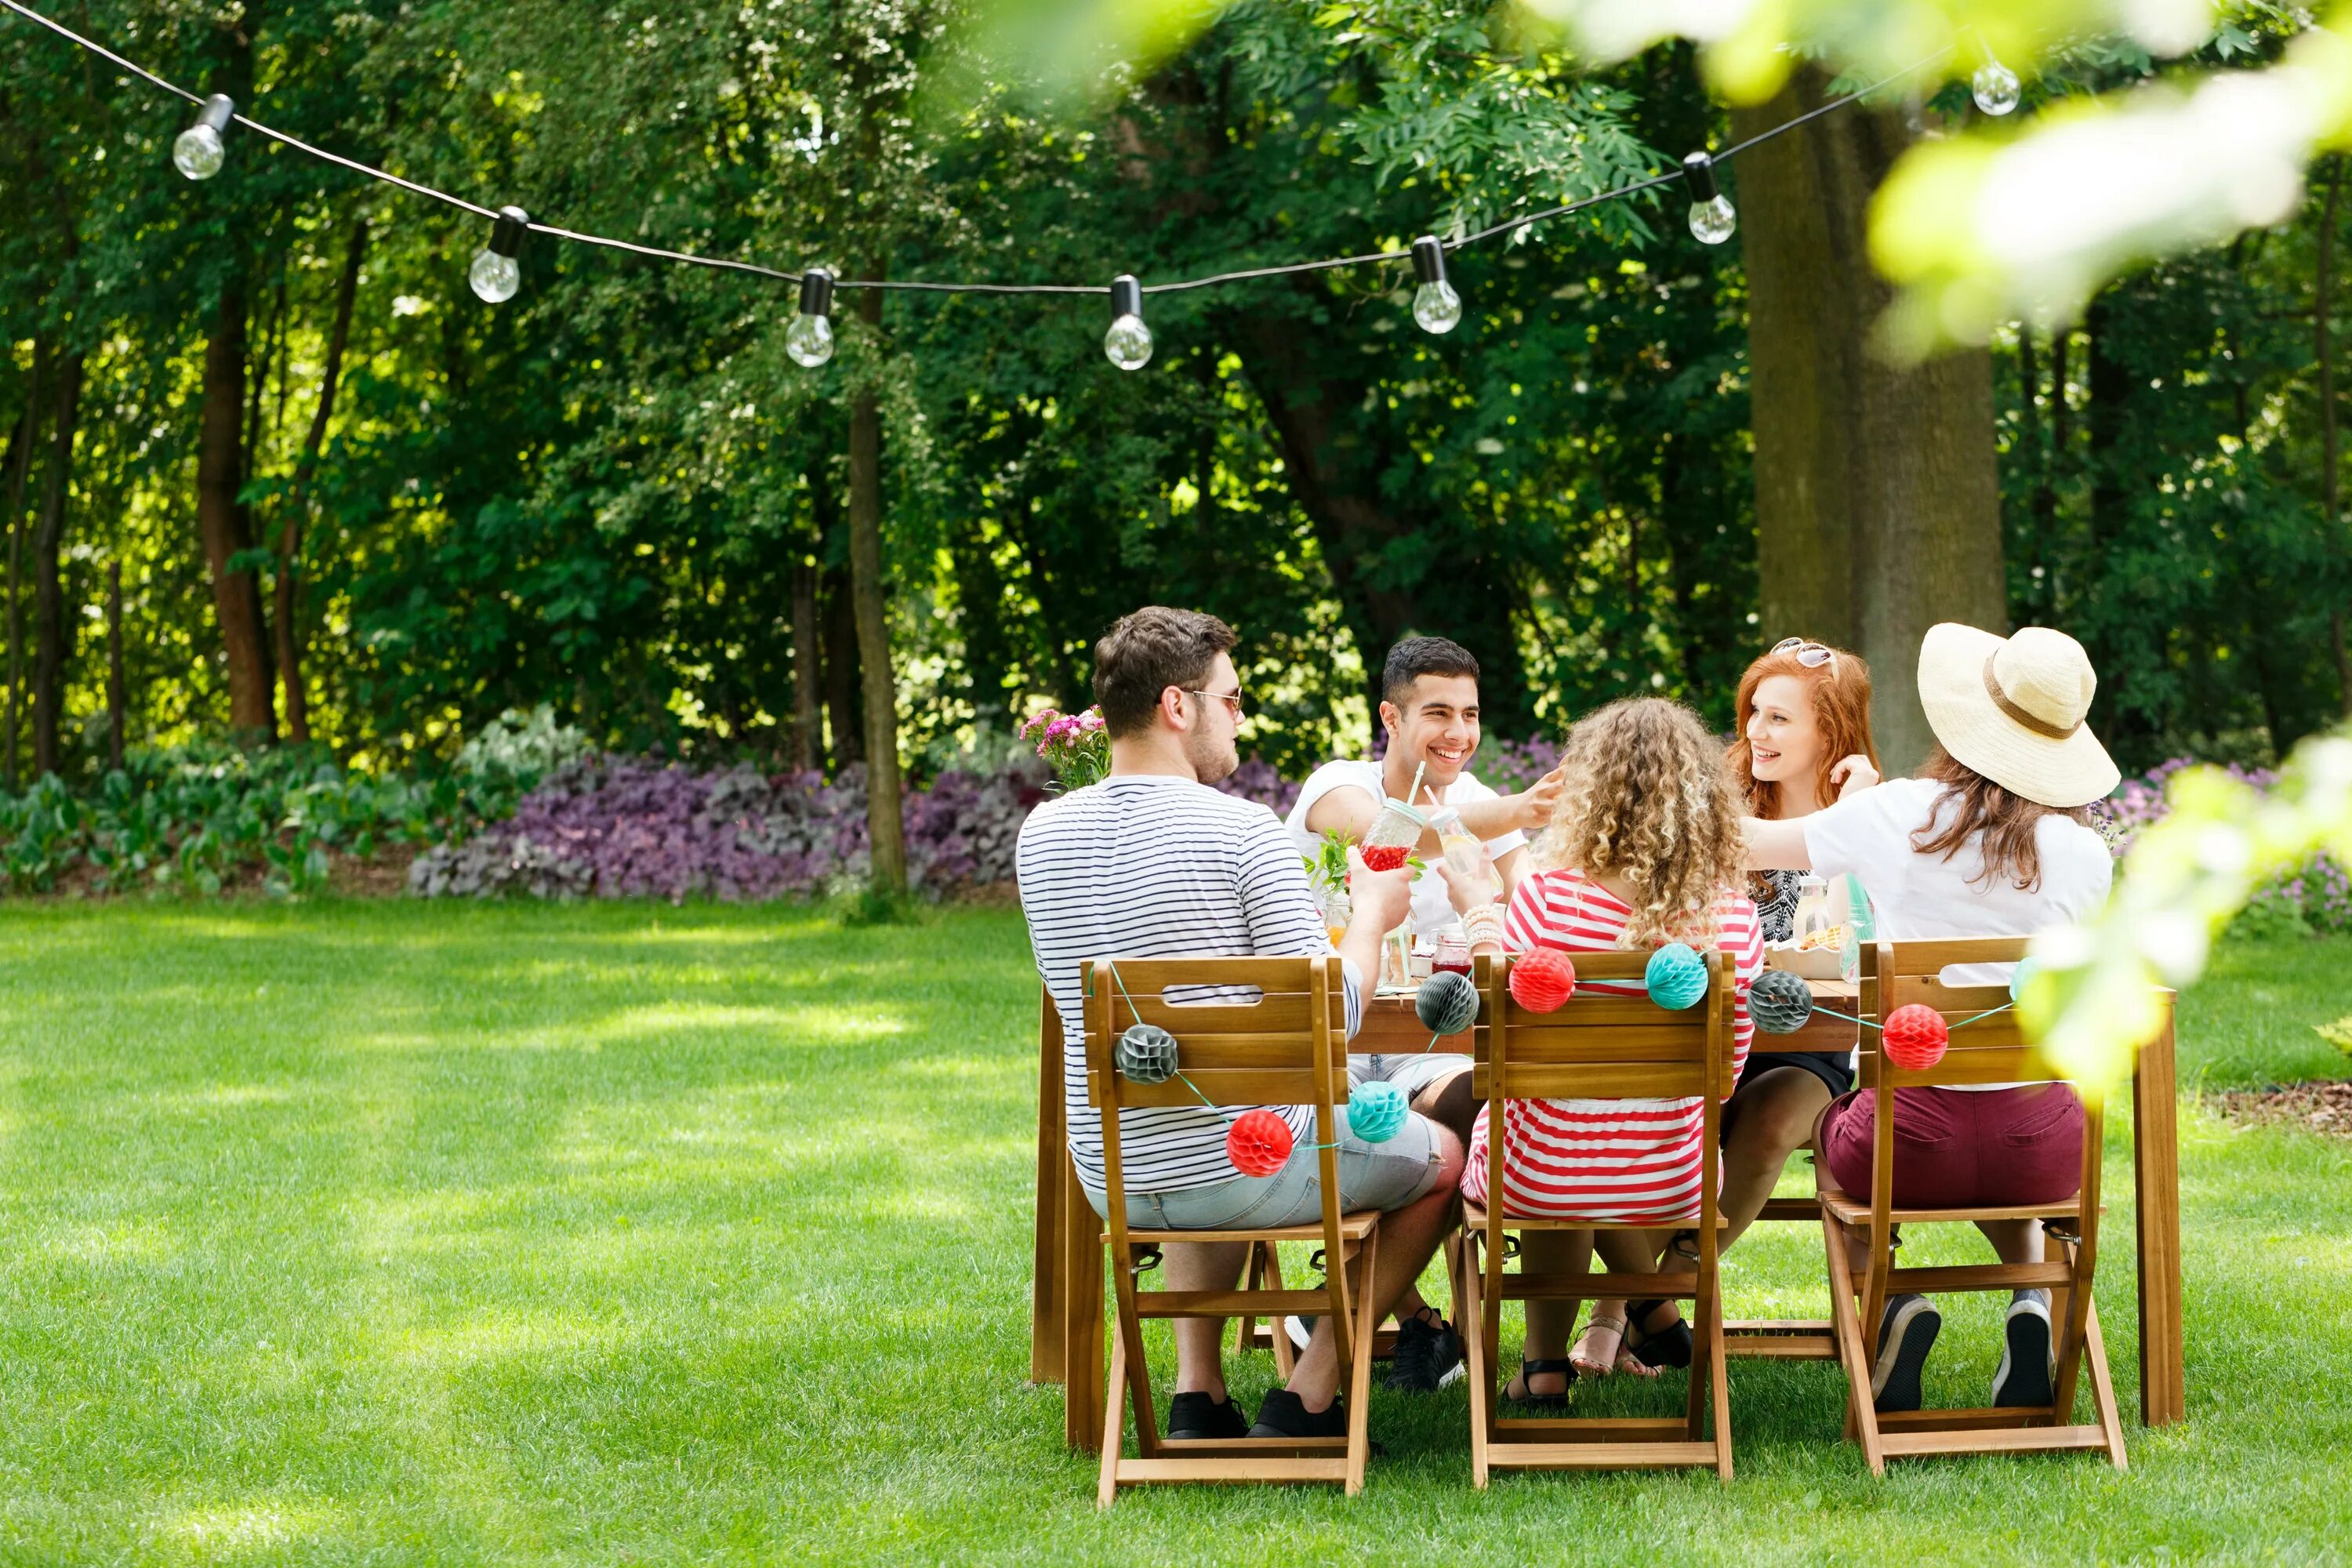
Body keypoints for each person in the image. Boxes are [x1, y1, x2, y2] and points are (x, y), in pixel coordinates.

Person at [1015, 606, 1466, 1444]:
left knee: (1209, 1118)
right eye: (1231, 698)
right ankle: (1312, 1394)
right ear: (1177, 708)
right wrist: (1369, 916)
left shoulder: (1041, 835)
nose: (1241, 717)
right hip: (1243, 1162)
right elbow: (1329, 1015)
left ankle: (1199, 1394)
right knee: (1443, 1157)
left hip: (1113, 1170)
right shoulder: (1241, 830)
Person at [1742, 623, 2120, 1415]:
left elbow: (1750, 839)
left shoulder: (1897, 812)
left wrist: (1852, 810)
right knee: (1996, 1116)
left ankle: (1889, 1310)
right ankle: (2033, 1306)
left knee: (1832, 1125)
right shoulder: (2088, 854)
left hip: (1907, 1148)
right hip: (2046, 1152)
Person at [1454, 699, 1762, 1399]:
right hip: (1670, 1179)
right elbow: (1724, 1079)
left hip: (1536, 1175)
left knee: (1555, 1133)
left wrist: (1478, 906)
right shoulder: (1733, 918)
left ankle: (1543, 1368)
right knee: (1592, 1133)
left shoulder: (1543, 901)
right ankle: (1649, 1304)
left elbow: (1500, 1035)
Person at [1279, 634, 1562, 1385]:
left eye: (1470, 715)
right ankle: (1408, 1316)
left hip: (1428, 1051)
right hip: (1330, 1049)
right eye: (1438, 712)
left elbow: (1536, 913)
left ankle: (1354, 1305)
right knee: (1370, 1134)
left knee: (1478, 1106)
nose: (1458, 733)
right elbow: (1383, 837)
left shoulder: (1478, 804)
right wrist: (1513, 811)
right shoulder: (1337, 786)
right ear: (1390, 717)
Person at [1713, 638, 1882, 1271]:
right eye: (1754, 712)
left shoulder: (1873, 814)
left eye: (1779, 718)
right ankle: (1626, 1311)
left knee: (1768, 1123)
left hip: (1812, 1045)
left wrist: (1852, 818)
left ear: (1831, 728)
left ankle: (1652, 1297)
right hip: (1712, 1032)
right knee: (1676, 1123)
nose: (1757, 731)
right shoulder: (1721, 804)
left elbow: (1842, 951)